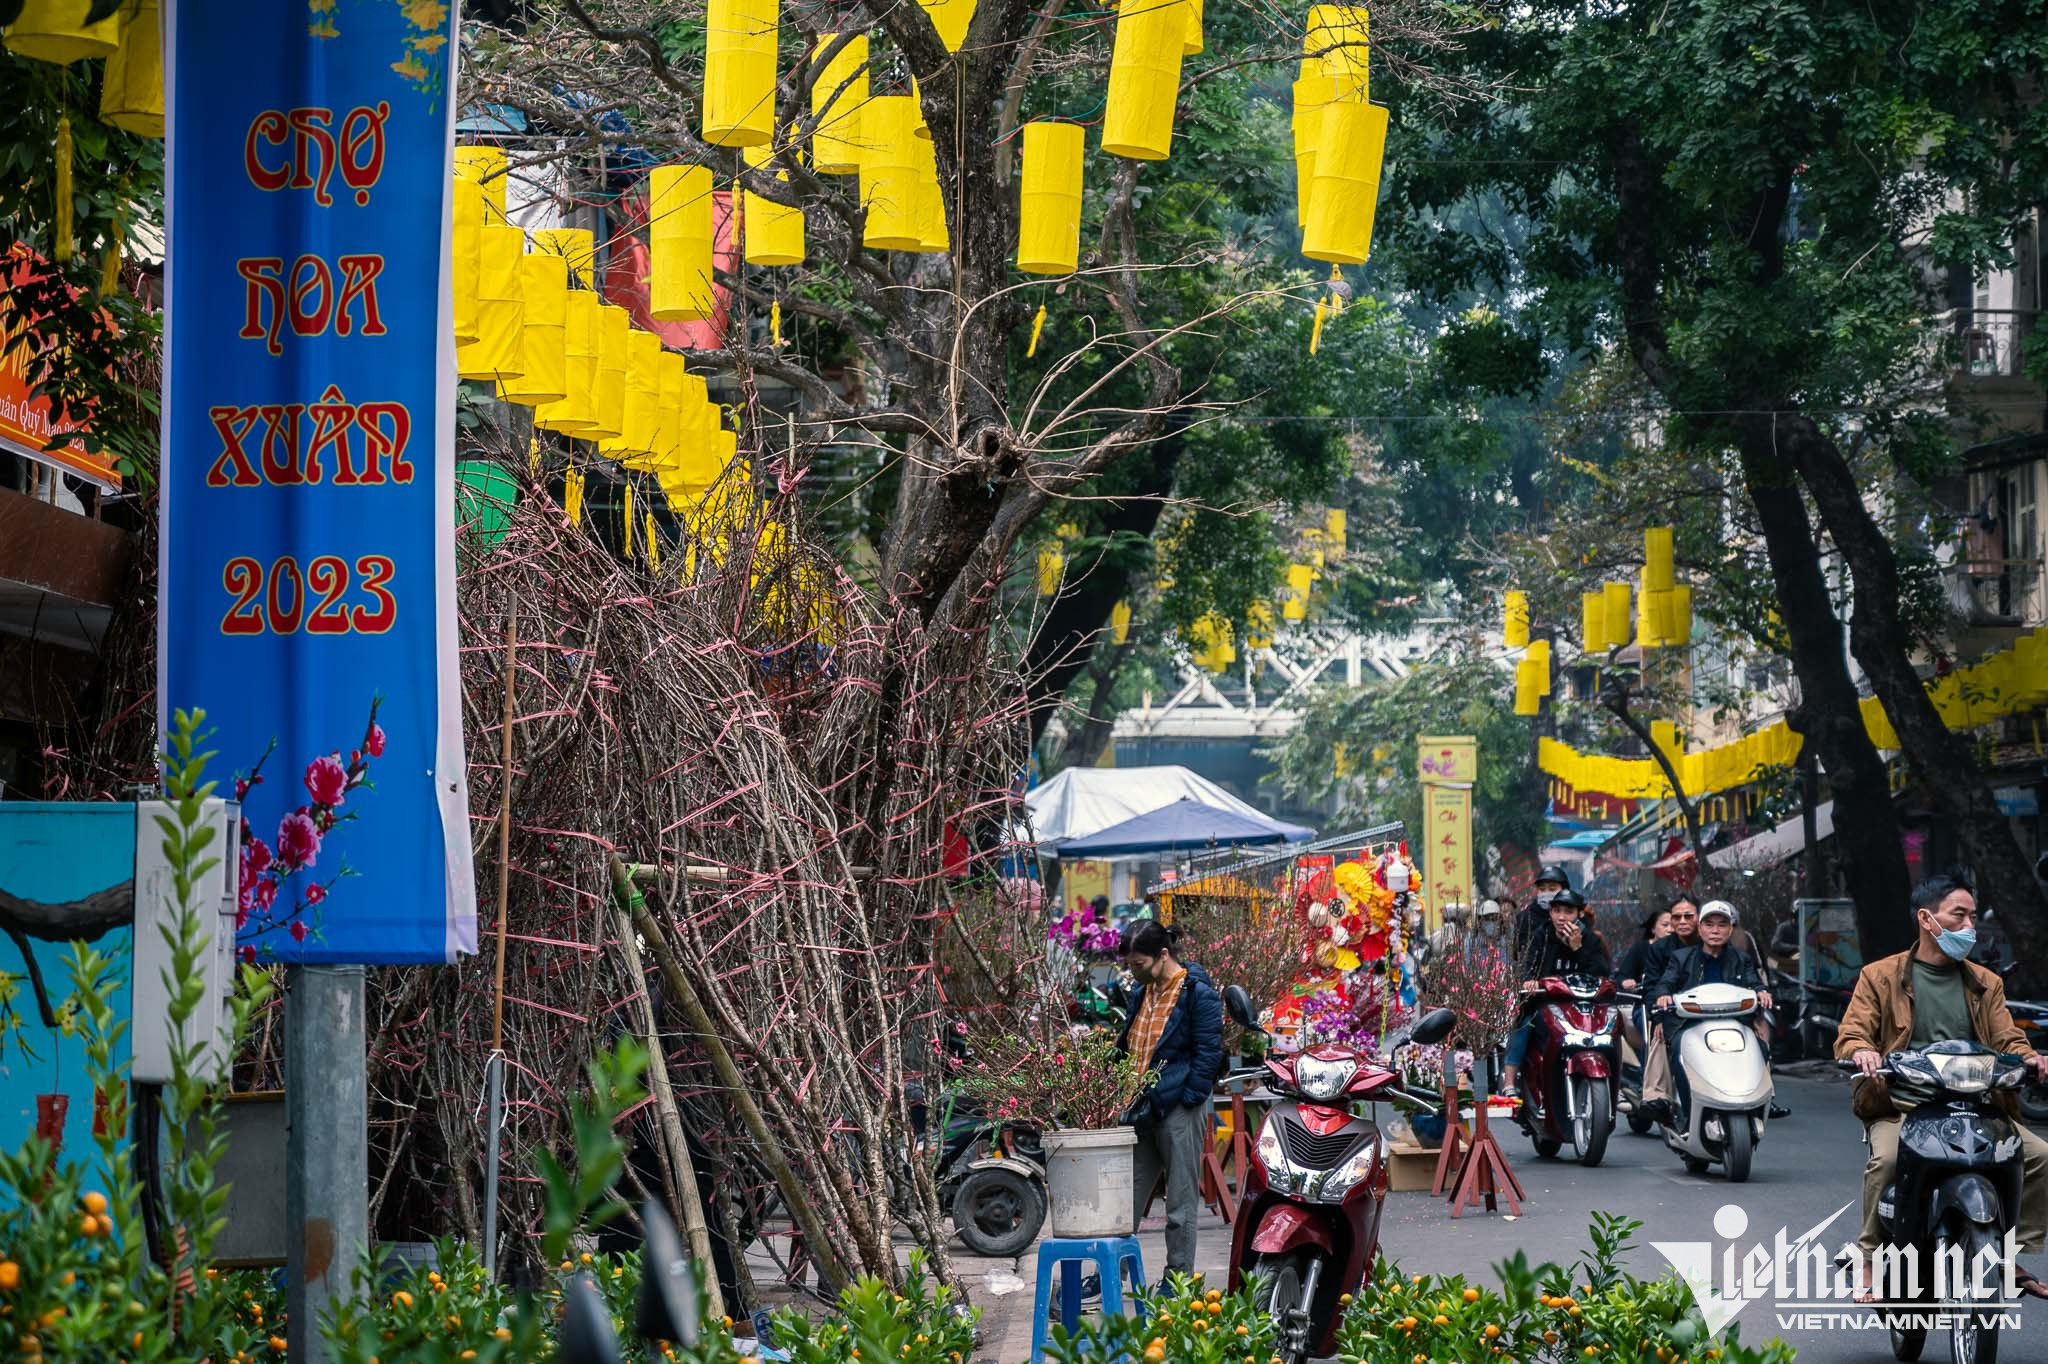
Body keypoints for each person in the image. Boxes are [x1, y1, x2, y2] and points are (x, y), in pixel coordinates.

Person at [1836, 875, 2048, 1301]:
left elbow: (2008, 1039)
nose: (1970, 926)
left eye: (1973, 916)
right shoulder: (1880, 976)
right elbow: (1852, 1033)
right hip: (1903, 1104)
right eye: (1959, 915)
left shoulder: (1985, 982)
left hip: (1977, 1106)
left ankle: (2008, 1254)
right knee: (1888, 1160)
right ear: (1927, 919)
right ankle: (1869, 1257)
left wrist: (2030, 1058)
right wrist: (1862, 1051)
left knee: (2039, 1156)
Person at [1115, 920, 1223, 1283]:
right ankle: (1111, 1274)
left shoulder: (1197, 994)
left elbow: (1209, 1053)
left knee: (1179, 1203)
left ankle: (1177, 1281)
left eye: (1139, 964)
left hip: (1179, 1108)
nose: (1133, 971)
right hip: (1140, 1106)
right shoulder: (1140, 991)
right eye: (1129, 964)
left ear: (1163, 955)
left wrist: (1189, 1098)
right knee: (1124, 1199)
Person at [1635, 901, 1769, 1122]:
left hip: (1732, 1022)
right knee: (1674, 1049)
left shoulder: (1741, 959)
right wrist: (1663, 997)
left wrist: (1761, 992)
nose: (1715, 931)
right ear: (1700, 929)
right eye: (1709, 925)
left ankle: (1762, 1097)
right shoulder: (1681, 957)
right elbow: (1664, 983)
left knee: (1759, 1046)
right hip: (1689, 1024)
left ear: (1730, 929)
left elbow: (1753, 982)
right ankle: (1677, 1109)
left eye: (1722, 925)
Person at [1500, 889, 1611, 1097]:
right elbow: (1525, 965)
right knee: (1522, 1024)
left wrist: (1578, 949)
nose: (1561, 917)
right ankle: (1509, 1082)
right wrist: (1529, 980)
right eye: (1557, 911)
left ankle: (1617, 1085)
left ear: (1579, 914)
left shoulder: (1591, 939)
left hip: (1580, 1004)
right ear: (1550, 913)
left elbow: (1601, 974)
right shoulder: (1541, 935)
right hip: (1543, 1002)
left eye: (1568, 912)